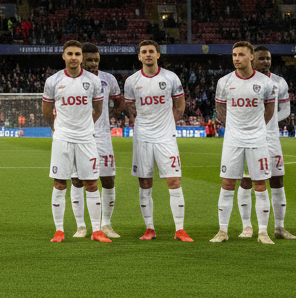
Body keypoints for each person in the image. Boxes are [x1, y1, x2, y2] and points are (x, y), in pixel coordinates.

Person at [122, 40, 192, 241]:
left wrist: (168, 123)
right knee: (145, 182)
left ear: (158, 55)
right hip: (142, 137)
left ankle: (180, 229)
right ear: (139, 56)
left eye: (151, 51)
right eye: (144, 52)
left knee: (173, 180)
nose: (148, 55)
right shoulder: (131, 81)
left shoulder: (170, 77)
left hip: (165, 137)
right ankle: (149, 229)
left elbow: (179, 105)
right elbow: (129, 107)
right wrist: (137, 119)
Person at [43, 40, 108, 242]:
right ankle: (59, 230)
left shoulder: (94, 82)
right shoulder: (53, 81)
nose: (73, 58)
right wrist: (56, 129)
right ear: (63, 56)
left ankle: (96, 230)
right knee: (60, 183)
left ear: (81, 57)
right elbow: (46, 112)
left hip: (86, 139)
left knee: (91, 183)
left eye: (77, 54)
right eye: (69, 54)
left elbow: (97, 110)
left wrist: (85, 127)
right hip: (62, 138)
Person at [211, 41, 276, 244]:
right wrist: (232, 127)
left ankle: (263, 232)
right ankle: (222, 231)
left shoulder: (265, 83)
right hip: (233, 139)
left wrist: (255, 127)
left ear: (251, 57)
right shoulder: (224, 82)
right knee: (228, 183)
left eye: (240, 54)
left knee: (260, 184)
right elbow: (220, 109)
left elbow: (269, 110)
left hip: (257, 139)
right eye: (234, 55)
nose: (236, 58)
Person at [234, 46, 295, 239]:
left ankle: (279, 228)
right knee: (246, 180)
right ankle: (246, 227)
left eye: (268, 59)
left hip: (271, 137)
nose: (266, 62)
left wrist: (266, 120)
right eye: (261, 58)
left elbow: (285, 109)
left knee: (277, 180)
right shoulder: (241, 81)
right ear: (252, 59)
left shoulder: (279, 82)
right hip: (249, 137)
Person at [71, 43, 123, 239]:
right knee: (77, 180)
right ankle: (81, 226)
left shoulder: (108, 79)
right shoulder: (72, 79)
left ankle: (107, 224)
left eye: (96, 60)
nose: (93, 63)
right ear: (81, 59)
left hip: (102, 136)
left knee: (108, 179)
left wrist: (118, 113)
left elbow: (119, 100)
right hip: (79, 136)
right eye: (89, 60)